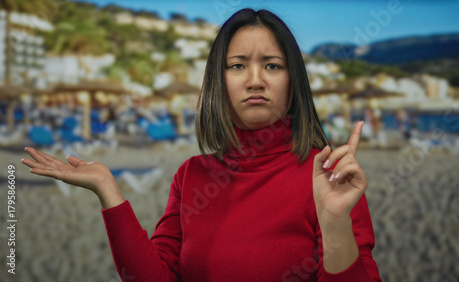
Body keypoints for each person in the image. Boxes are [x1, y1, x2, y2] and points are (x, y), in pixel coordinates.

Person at [22, 8, 381, 281]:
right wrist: (108, 192)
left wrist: (335, 223)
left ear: (294, 81)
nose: (255, 80)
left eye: (272, 66)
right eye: (237, 66)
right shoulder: (191, 174)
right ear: (217, 82)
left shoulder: (329, 175)